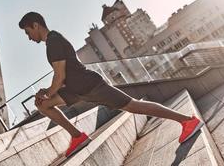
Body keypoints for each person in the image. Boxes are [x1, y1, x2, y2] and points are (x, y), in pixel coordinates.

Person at [18, 12, 204, 157]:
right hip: (76, 90)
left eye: (28, 32)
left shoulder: (53, 42)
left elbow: (59, 76)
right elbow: (62, 76)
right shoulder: (52, 42)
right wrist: (46, 93)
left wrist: (48, 92)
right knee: (43, 105)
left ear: (36, 25)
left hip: (90, 86)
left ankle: (187, 121)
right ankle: (77, 136)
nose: (28, 37)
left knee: (133, 105)